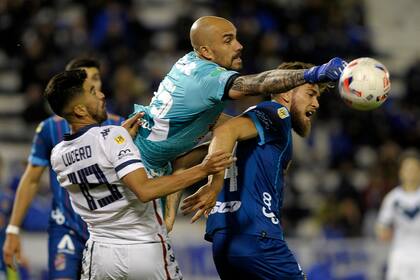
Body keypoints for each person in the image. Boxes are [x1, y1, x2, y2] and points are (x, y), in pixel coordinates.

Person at [44, 69, 233, 280]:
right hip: (145, 248)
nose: (101, 95)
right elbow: (145, 190)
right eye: (92, 92)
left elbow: (95, 158)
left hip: (100, 253)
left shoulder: (58, 154)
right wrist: (203, 170)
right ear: (79, 109)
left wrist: (121, 137)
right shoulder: (111, 136)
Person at [131, 16, 347, 178]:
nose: (239, 46)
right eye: (228, 41)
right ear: (206, 52)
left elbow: (207, 121)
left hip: (148, 159)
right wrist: (313, 73)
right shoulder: (207, 77)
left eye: (236, 38)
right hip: (139, 166)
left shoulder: (190, 62)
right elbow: (257, 84)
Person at [181, 61, 329, 279]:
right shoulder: (276, 112)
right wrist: (214, 184)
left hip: (224, 239)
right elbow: (225, 131)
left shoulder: (252, 128)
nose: (316, 103)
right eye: (310, 94)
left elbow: (193, 154)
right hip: (257, 235)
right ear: (286, 93)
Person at [3, 57, 124, 280]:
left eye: (96, 78)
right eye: (86, 80)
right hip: (66, 227)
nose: (93, 85)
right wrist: (12, 229)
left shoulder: (120, 126)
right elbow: (30, 180)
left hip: (111, 230)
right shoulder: (49, 129)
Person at [376, 150, 420, 280]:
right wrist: (383, 232)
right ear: (400, 172)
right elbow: (381, 227)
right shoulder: (393, 199)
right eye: (407, 169)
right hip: (400, 257)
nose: (411, 172)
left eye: (414, 168)